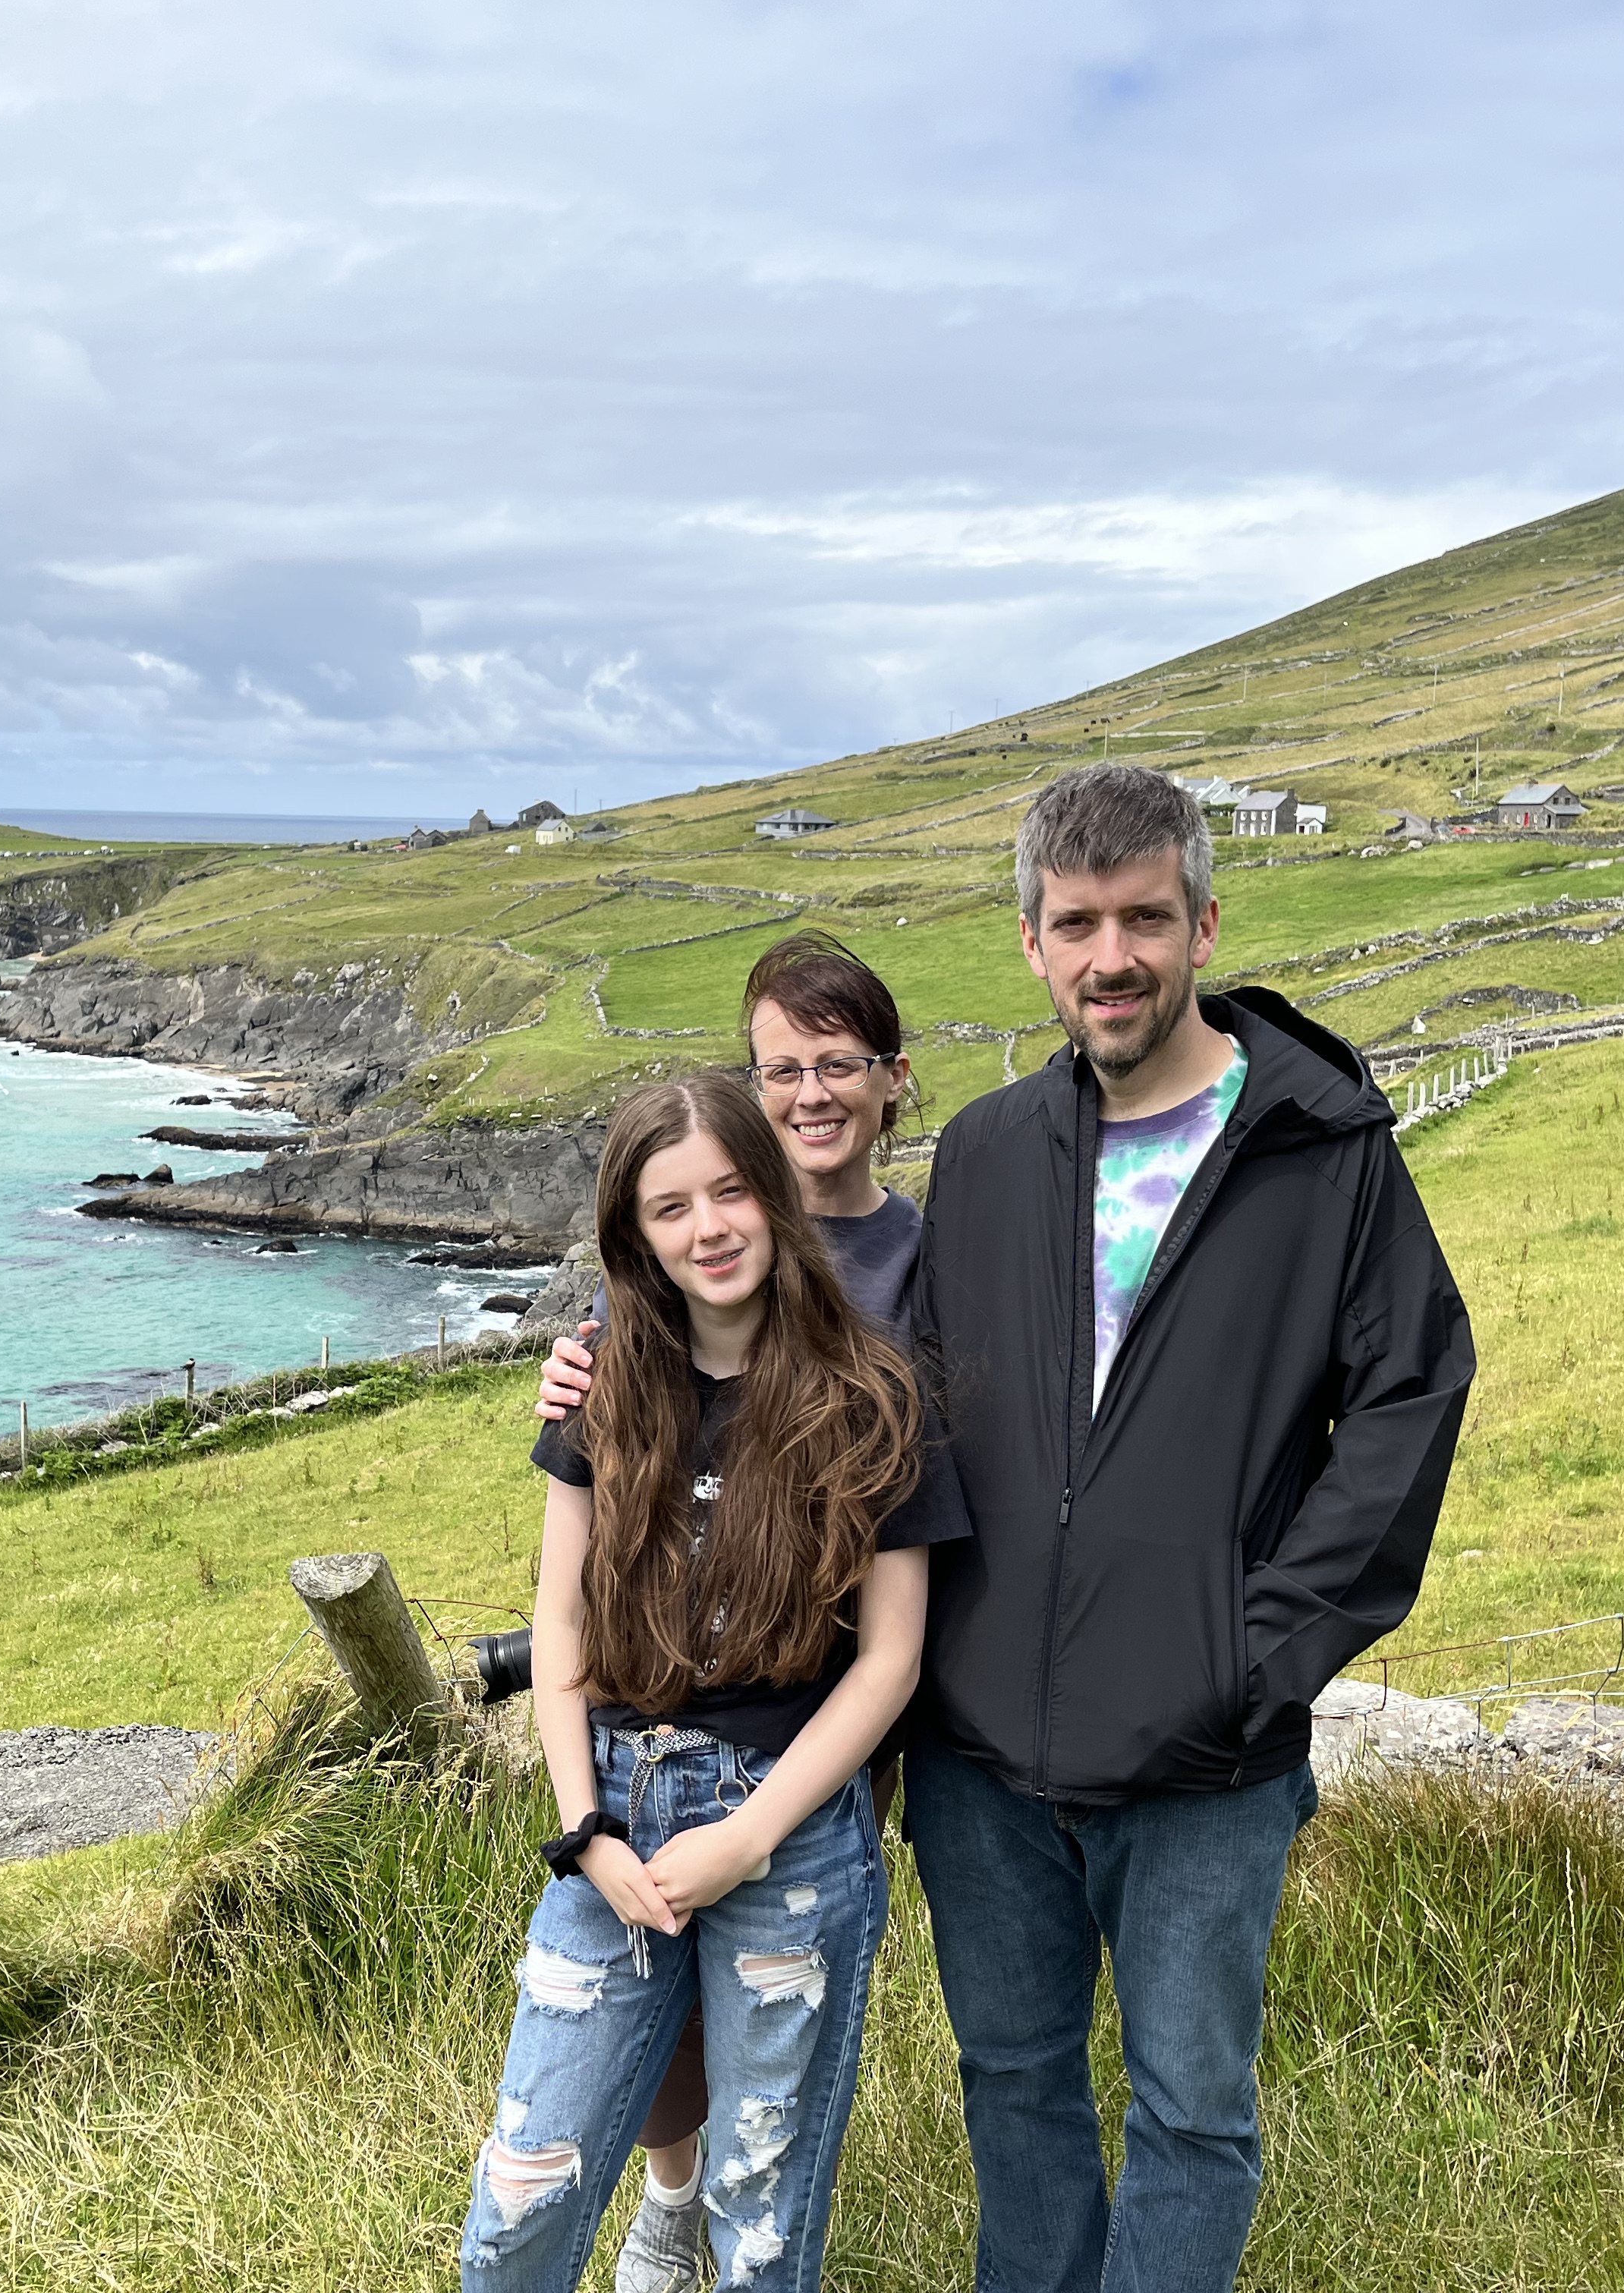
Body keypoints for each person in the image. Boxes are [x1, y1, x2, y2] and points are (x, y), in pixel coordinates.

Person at [908, 764, 1475, 2293]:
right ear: (1029, 943)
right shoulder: (983, 1152)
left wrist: (1264, 1649)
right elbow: (891, 1409)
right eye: (1077, 922)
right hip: (978, 1759)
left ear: (1204, 923)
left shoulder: (1325, 1153)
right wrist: (627, 1366)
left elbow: (1415, 1394)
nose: (1113, 957)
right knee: (1014, 2089)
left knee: (1193, 2114)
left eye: (1145, 917)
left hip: (1209, 1758)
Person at [460, 1069, 969, 2293]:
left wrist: (748, 1835)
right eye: (670, 1207)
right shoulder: (605, 1383)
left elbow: (892, 1658)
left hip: (788, 1839)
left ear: (775, 1196)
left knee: (761, 2219)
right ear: (633, 1234)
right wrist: (582, 1830)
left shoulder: (876, 1394)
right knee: (523, 2191)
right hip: (614, 1820)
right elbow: (560, 1619)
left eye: (733, 1190)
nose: (710, 1228)